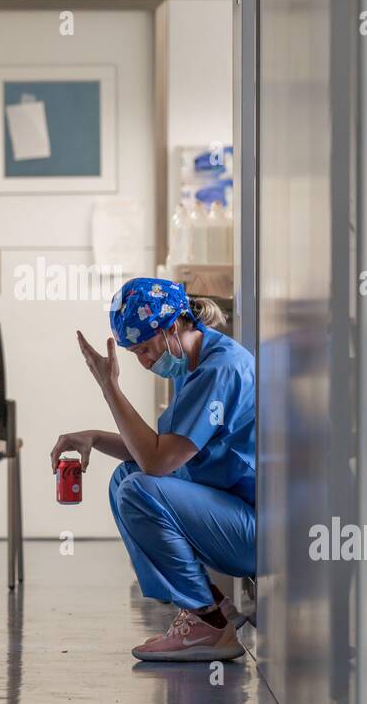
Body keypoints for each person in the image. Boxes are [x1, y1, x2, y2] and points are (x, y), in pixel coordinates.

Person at [51, 277, 255, 662]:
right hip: (234, 513)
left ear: (174, 326)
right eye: (135, 354)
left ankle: (207, 624)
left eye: (145, 349)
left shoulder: (219, 371)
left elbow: (157, 462)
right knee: (126, 478)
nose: (144, 362)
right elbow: (156, 452)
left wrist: (109, 387)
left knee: (137, 488)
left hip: (257, 531)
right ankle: (212, 606)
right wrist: (94, 437)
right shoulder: (197, 365)